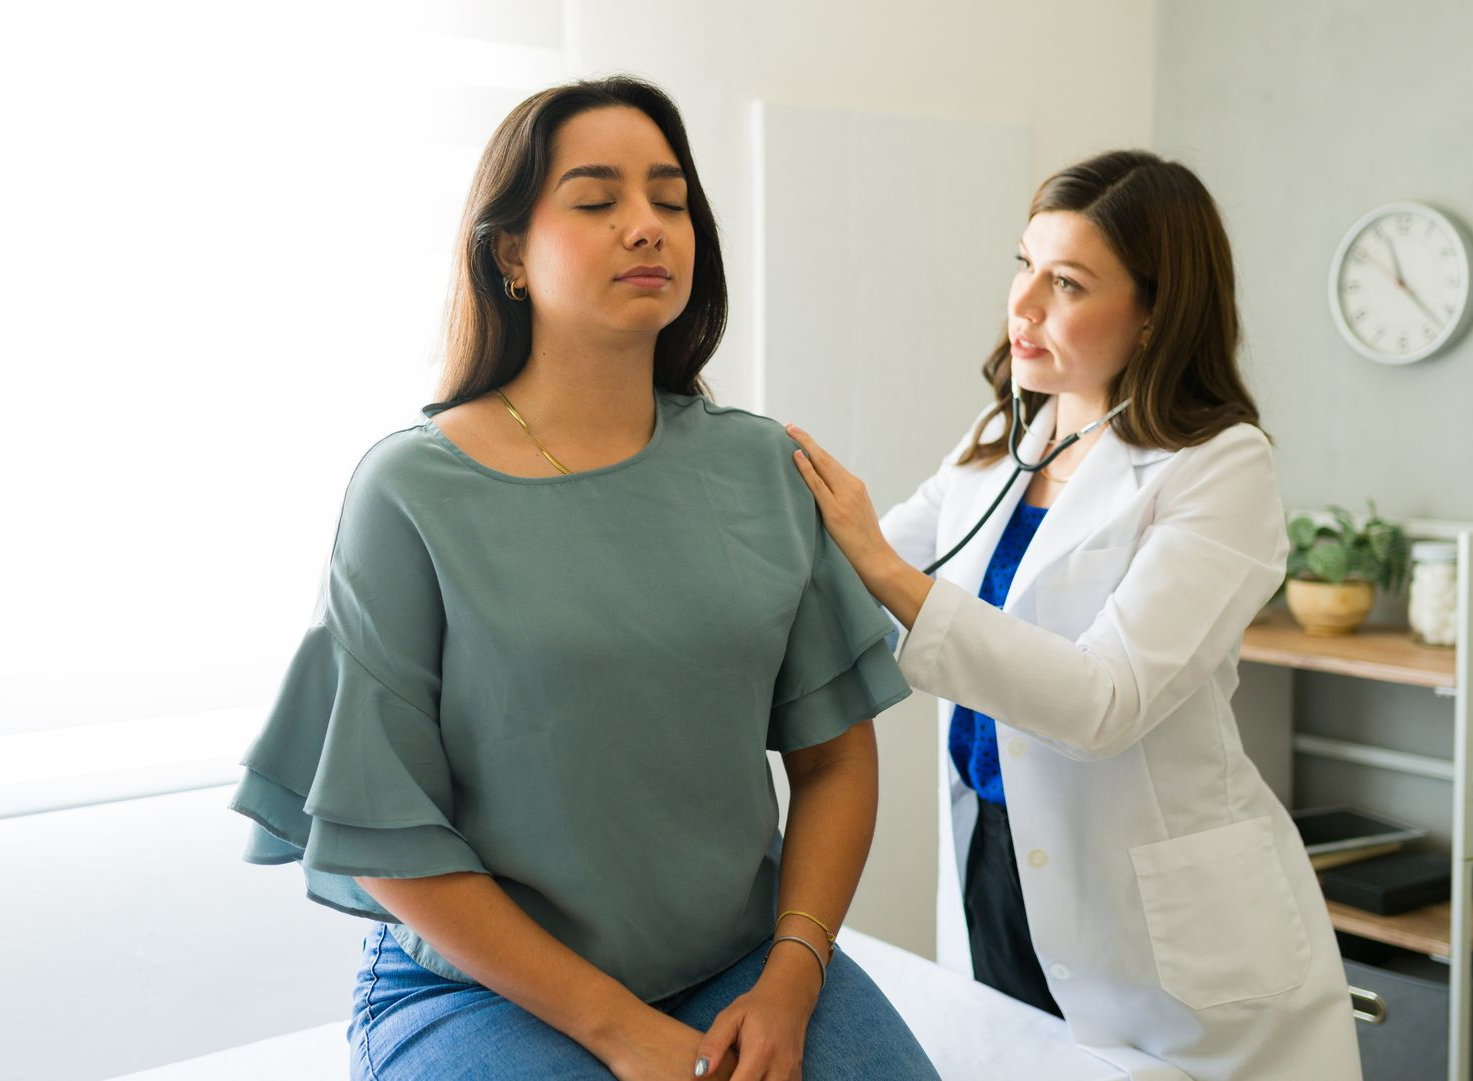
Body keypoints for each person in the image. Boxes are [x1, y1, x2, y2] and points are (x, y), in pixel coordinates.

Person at [230, 76, 940, 1081]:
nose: (648, 227)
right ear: (510, 249)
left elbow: (832, 761)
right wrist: (617, 1028)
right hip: (482, 989)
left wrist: (791, 974)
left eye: (672, 198)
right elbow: (380, 829)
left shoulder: (759, 469)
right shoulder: (410, 492)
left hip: (738, 962)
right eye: (598, 200)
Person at [785, 150, 1364, 1080]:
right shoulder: (998, 442)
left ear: (1153, 309)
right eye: (1023, 265)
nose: (1021, 305)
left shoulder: (1219, 467)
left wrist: (878, 565)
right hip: (995, 855)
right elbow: (844, 585)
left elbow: (1104, 700)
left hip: (1162, 921)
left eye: (1066, 282)